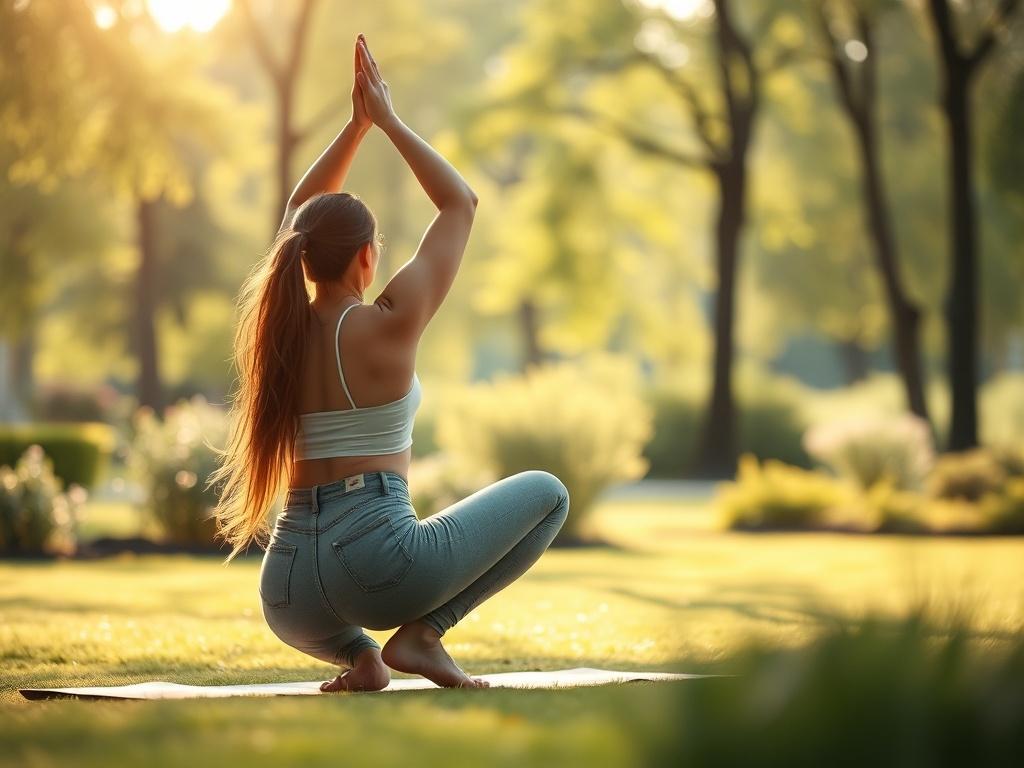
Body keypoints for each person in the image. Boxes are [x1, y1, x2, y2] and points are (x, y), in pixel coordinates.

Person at [209, 33, 570, 692]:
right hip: (380, 567)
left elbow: (298, 215)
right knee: (549, 495)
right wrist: (386, 120)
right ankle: (423, 637)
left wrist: (352, 129)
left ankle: (360, 658)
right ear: (368, 259)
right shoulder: (388, 323)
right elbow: (460, 202)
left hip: (288, 594)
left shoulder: (279, 332)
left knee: (333, 615)